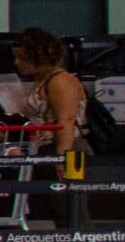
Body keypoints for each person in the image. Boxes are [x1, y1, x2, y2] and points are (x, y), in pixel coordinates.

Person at [10, 27, 89, 159]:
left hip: (63, 149)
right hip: (41, 147)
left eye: (22, 58)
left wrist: (61, 159)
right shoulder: (40, 80)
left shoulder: (60, 81)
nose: (17, 62)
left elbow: (66, 122)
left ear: (40, 58)